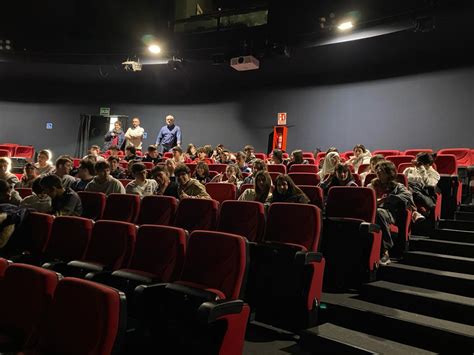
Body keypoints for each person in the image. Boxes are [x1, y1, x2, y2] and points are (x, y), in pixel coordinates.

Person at [368, 161, 415, 265]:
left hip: (389, 213)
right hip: (371, 211)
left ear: (389, 173)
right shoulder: (371, 185)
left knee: (379, 212)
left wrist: (387, 199)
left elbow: (407, 196)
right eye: (377, 170)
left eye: (381, 171)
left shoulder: (398, 186)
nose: (378, 172)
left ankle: (385, 252)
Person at [403, 152, 440, 221]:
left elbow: (429, 184)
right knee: (405, 187)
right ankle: (414, 212)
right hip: (408, 191)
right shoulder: (408, 170)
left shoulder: (434, 174)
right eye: (417, 162)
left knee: (410, 186)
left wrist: (422, 170)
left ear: (428, 164)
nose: (416, 165)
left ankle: (415, 211)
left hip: (423, 193)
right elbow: (402, 182)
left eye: (420, 163)